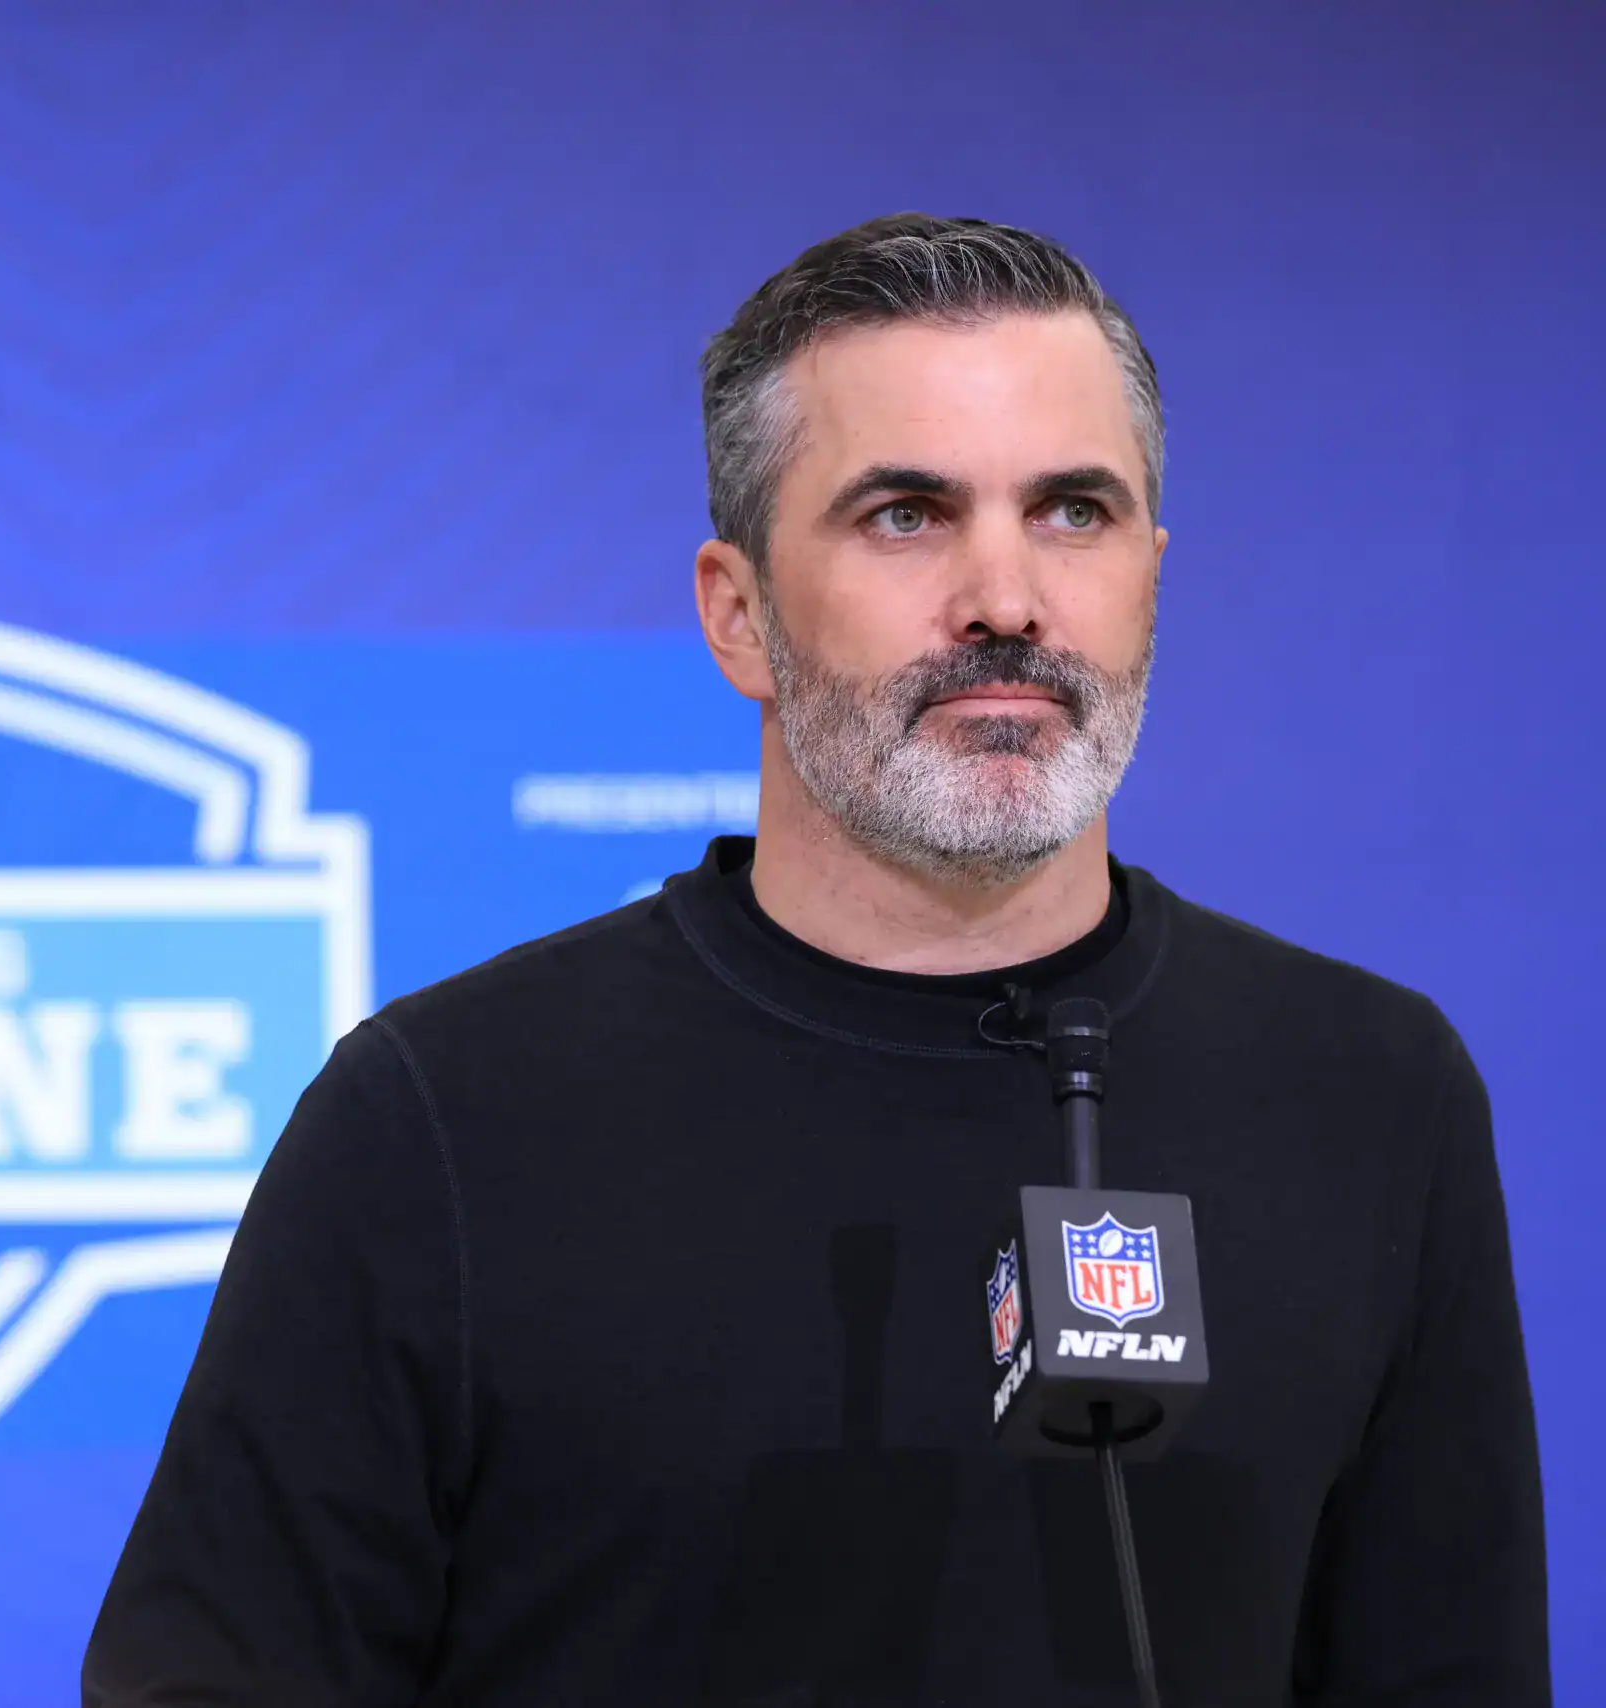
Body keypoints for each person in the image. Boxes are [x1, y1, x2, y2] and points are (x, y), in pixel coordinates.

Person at [81, 214, 1549, 1704]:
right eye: (907, 515)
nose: (1006, 600)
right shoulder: (442, 1116)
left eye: (1072, 512)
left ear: (1151, 576)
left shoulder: (1371, 1093)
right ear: (740, 615)